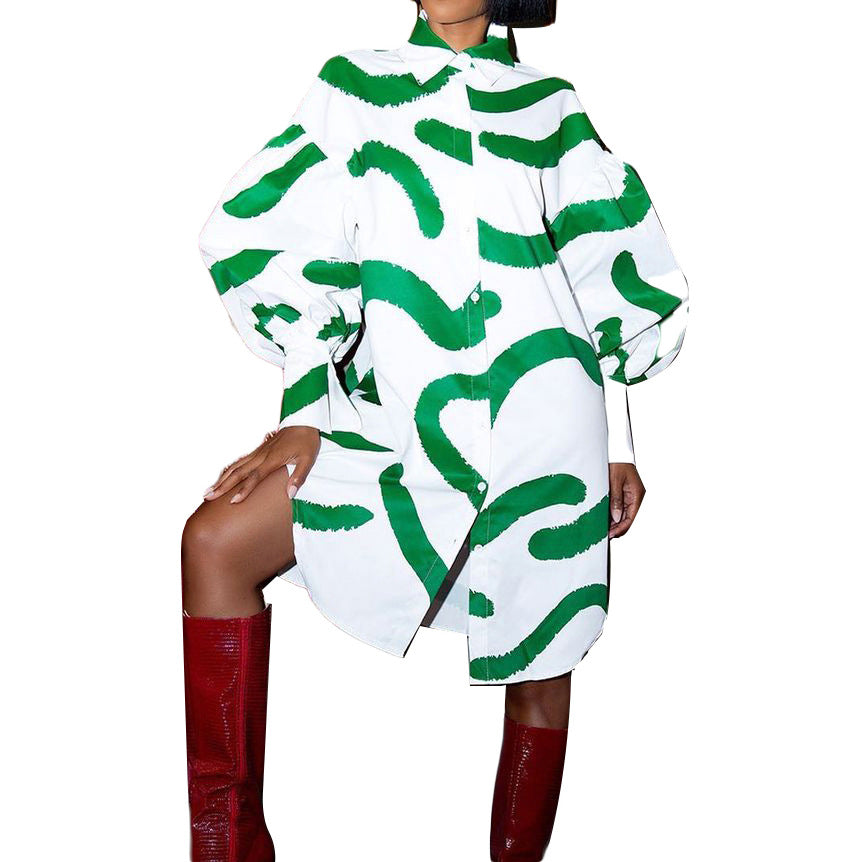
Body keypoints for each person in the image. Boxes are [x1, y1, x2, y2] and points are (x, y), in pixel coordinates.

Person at [182, 1, 688, 859]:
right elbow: (283, 241)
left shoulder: (551, 104)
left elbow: (602, 271)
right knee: (214, 543)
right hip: (397, 421)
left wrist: (619, 446)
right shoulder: (354, 86)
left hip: (545, 426)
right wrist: (303, 412)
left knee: (540, 661)